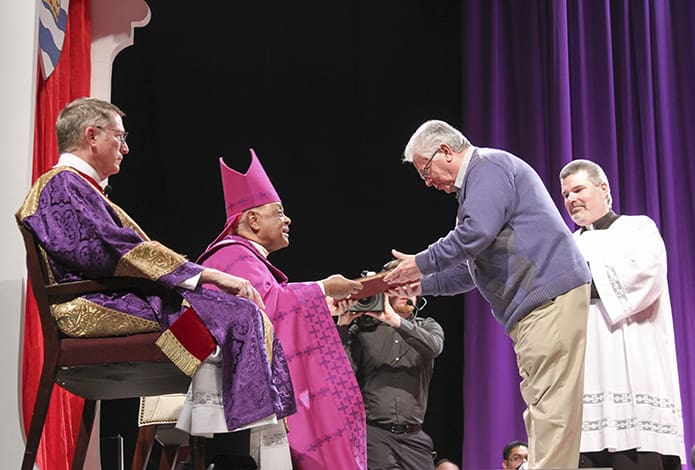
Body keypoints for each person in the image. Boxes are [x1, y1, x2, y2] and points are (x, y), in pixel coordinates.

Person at [15, 98, 297, 460]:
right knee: (234, 314)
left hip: (109, 295)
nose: (126, 147)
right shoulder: (62, 187)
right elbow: (108, 250)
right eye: (120, 136)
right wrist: (206, 274)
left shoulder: (78, 187)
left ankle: (233, 438)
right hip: (87, 304)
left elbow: (117, 249)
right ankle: (232, 447)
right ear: (92, 136)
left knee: (236, 313)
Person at [383, 119, 592, 469]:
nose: (427, 181)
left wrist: (420, 263)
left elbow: (473, 235)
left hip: (548, 299)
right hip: (535, 306)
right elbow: (472, 268)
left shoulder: (488, 168)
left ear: (446, 151)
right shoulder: (478, 185)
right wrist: (421, 284)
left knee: (551, 410)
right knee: (542, 408)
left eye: (426, 170)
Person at [193, 150, 367, 470]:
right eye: (278, 212)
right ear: (253, 219)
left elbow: (275, 301)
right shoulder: (230, 258)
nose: (287, 219)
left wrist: (325, 304)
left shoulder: (247, 259)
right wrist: (323, 288)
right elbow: (266, 308)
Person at [559, 159, 686, 470]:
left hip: (633, 358)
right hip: (587, 369)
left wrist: (576, 284)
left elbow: (645, 275)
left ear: (603, 188)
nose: (571, 199)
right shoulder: (569, 244)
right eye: (565, 194)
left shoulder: (637, 228)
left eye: (578, 189)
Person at [335, 294, 444, 470]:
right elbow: (341, 374)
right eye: (398, 289)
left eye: (411, 288)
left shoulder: (428, 326)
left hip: (415, 436)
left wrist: (394, 320)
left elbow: (434, 347)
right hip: (375, 433)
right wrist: (343, 324)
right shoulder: (362, 331)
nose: (406, 293)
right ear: (385, 294)